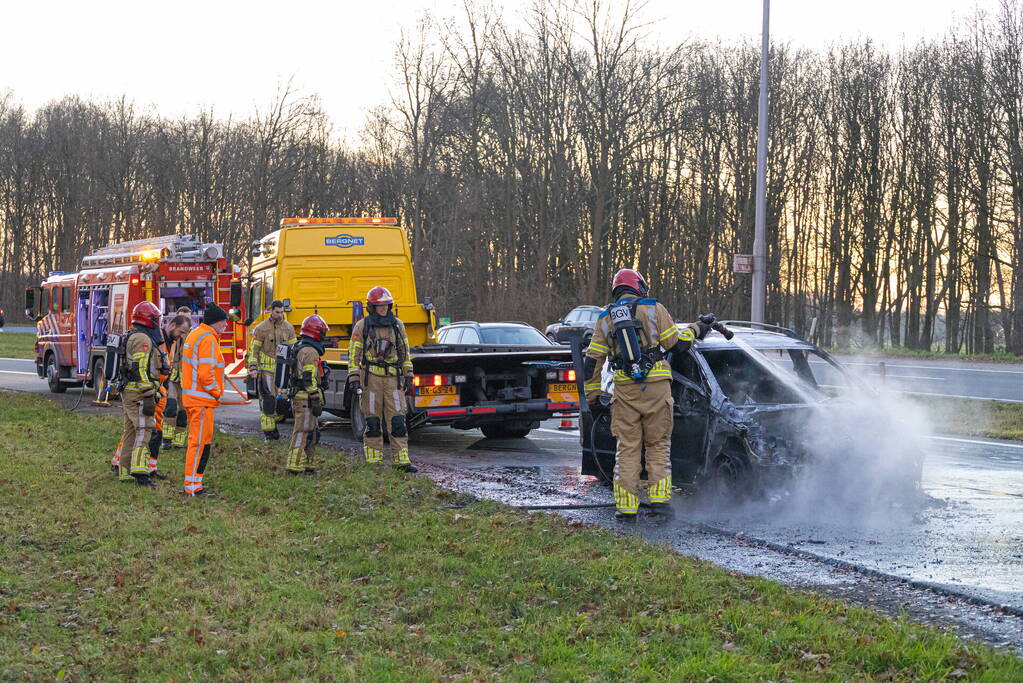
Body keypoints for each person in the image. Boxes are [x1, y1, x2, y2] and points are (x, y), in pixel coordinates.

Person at [582, 269, 709, 523]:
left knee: (627, 449)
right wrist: (697, 328)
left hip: (625, 392)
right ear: (639, 286)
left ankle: (626, 509)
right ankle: (660, 503)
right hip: (657, 390)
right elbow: (676, 344)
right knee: (658, 445)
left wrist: (592, 396)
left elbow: (592, 360)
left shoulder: (605, 318)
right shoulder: (654, 309)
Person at [349, 286, 417, 472]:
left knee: (398, 420)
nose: (384, 308)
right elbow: (354, 355)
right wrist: (354, 377)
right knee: (372, 422)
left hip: (393, 380)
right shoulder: (362, 326)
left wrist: (408, 375)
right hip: (371, 380)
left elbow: (405, 353)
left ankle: (401, 461)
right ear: (371, 307)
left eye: (386, 305)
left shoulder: (397, 325)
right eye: (380, 306)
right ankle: (374, 462)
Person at [180, 304, 228, 497]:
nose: (225, 325)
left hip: (196, 400)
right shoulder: (208, 338)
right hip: (202, 400)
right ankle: (192, 487)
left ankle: (195, 484)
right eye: (223, 322)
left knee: (200, 443)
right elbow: (205, 375)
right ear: (215, 322)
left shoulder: (196, 334)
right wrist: (217, 393)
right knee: (199, 444)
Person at [115, 301, 164, 487]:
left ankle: (125, 471)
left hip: (129, 391)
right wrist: (148, 394)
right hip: (138, 394)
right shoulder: (142, 339)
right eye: (156, 319)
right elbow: (140, 369)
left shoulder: (132, 335)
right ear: (149, 319)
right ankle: (140, 474)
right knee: (144, 431)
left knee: (130, 432)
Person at [285, 314, 329, 475]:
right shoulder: (311, 352)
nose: (324, 336)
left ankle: (308, 465)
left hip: (301, 397)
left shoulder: (300, 346)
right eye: (322, 332)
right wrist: (316, 399)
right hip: (306, 399)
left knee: (312, 434)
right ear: (316, 332)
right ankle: (294, 467)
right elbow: (308, 379)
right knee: (302, 432)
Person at [246, 300, 296, 441]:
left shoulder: (289, 328)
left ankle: (274, 427)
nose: (280, 315)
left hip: (283, 373)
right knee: (268, 403)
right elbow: (254, 351)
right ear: (271, 311)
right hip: (266, 372)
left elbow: (294, 350)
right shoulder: (261, 328)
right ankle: (270, 434)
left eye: (282, 312)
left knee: (282, 405)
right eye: (277, 312)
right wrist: (253, 368)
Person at [160, 314, 192, 451]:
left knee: (183, 414)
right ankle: (166, 440)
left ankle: (178, 443)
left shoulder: (187, 338)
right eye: (182, 331)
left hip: (185, 381)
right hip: (172, 380)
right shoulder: (166, 339)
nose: (182, 334)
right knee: (171, 409)